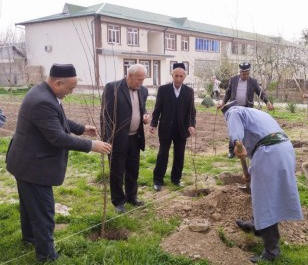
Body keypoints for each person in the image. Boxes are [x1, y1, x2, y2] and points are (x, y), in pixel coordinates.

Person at [6, 64, 112, 262]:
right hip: (33, 166)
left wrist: (80, 128)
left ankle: (30, 238)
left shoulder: (45, 92)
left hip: (24, 161)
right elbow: (58, 138)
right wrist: (91, 145)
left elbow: (58, 118)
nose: (71, 92)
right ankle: (46, 255)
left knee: (30, 206)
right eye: (70, 88)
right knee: (44, 211)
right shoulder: (42, 101)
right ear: (58, 83)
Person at [222, 102, 303, 262]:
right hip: (283, 150)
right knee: (266, 193)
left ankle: (271, 252)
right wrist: (252, 171)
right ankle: (256, 225)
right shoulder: (257, 114)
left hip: (270, 153)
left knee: (265, 200)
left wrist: (237, 143)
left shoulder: (233, 112)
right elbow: (260, 142)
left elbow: (237, 138)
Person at [101, 64, 149, 214]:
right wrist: (108, 140)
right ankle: (118, 201)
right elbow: (105, 115)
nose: (140, 83)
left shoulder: (143, 90)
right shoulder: (112, 88)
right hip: (118, 138)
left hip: (135, 137)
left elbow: (142, 107)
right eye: (138, 80)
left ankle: (131, 196)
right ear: (129, 76)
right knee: (117, 170)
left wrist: (145, 115)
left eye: (143, 80)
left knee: (133, 169)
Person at [149, 62, 196, 191]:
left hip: (182, 129)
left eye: (181, 76)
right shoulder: (163, 90)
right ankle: (158, 180)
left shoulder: (189, 92)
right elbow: (157, 108)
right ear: (172, 75)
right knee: (163, 154)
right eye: (176, 76)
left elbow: (192, 111)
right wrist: (154, 123)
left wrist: (191, 125)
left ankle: (176, 179)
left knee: (179, 155)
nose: (179, 79)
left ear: (185, 77)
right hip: (166, 128)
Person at [217, 62, 273, 158]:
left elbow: (261, 93)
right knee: (234, 128)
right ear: (240, 72)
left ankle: (245, 149)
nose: (246, 76)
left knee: (246, 129)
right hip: (234, 109)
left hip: (247, 110)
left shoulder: (253, 82)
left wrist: (267, 102)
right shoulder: (233, 80)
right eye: (244, 74)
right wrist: (223, 103)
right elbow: (228, 93)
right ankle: (231, 150)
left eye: (247, 74)